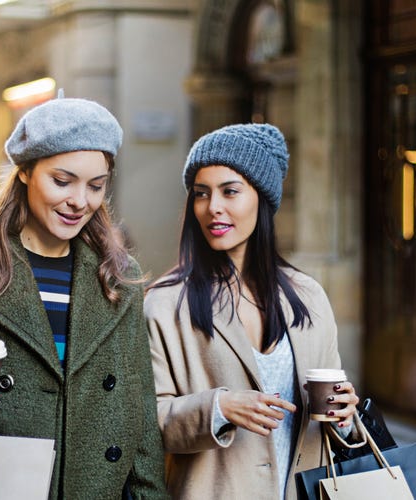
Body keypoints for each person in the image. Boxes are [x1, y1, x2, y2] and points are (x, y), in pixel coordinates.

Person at [0, 95, 167, 499]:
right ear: (24, 172)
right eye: (62, 181)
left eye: (96, 186)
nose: (79, 201)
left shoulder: (117, 276)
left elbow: (138, 415)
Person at [144, 123, 360, 499]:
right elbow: (146, 421)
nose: (213, 207)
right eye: (201, 194)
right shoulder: (164, 303)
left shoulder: (308, 297)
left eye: (230, 191)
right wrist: (218, 407)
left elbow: (335, 419)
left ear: (262, 198)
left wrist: (345, 415)